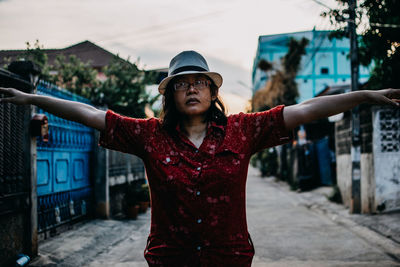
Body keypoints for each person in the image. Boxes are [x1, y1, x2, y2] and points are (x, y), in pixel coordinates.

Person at [0, 50, 399, 266]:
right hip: (170, 261)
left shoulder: (243, 130)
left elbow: (305, 109)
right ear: (171, 94)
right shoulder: (149, 136)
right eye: (182, 84)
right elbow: (89, 114)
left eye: (200, 82)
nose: (191, 88)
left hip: (229, 260)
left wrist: (366, 96)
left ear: (212, 91)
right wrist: (31, 98)